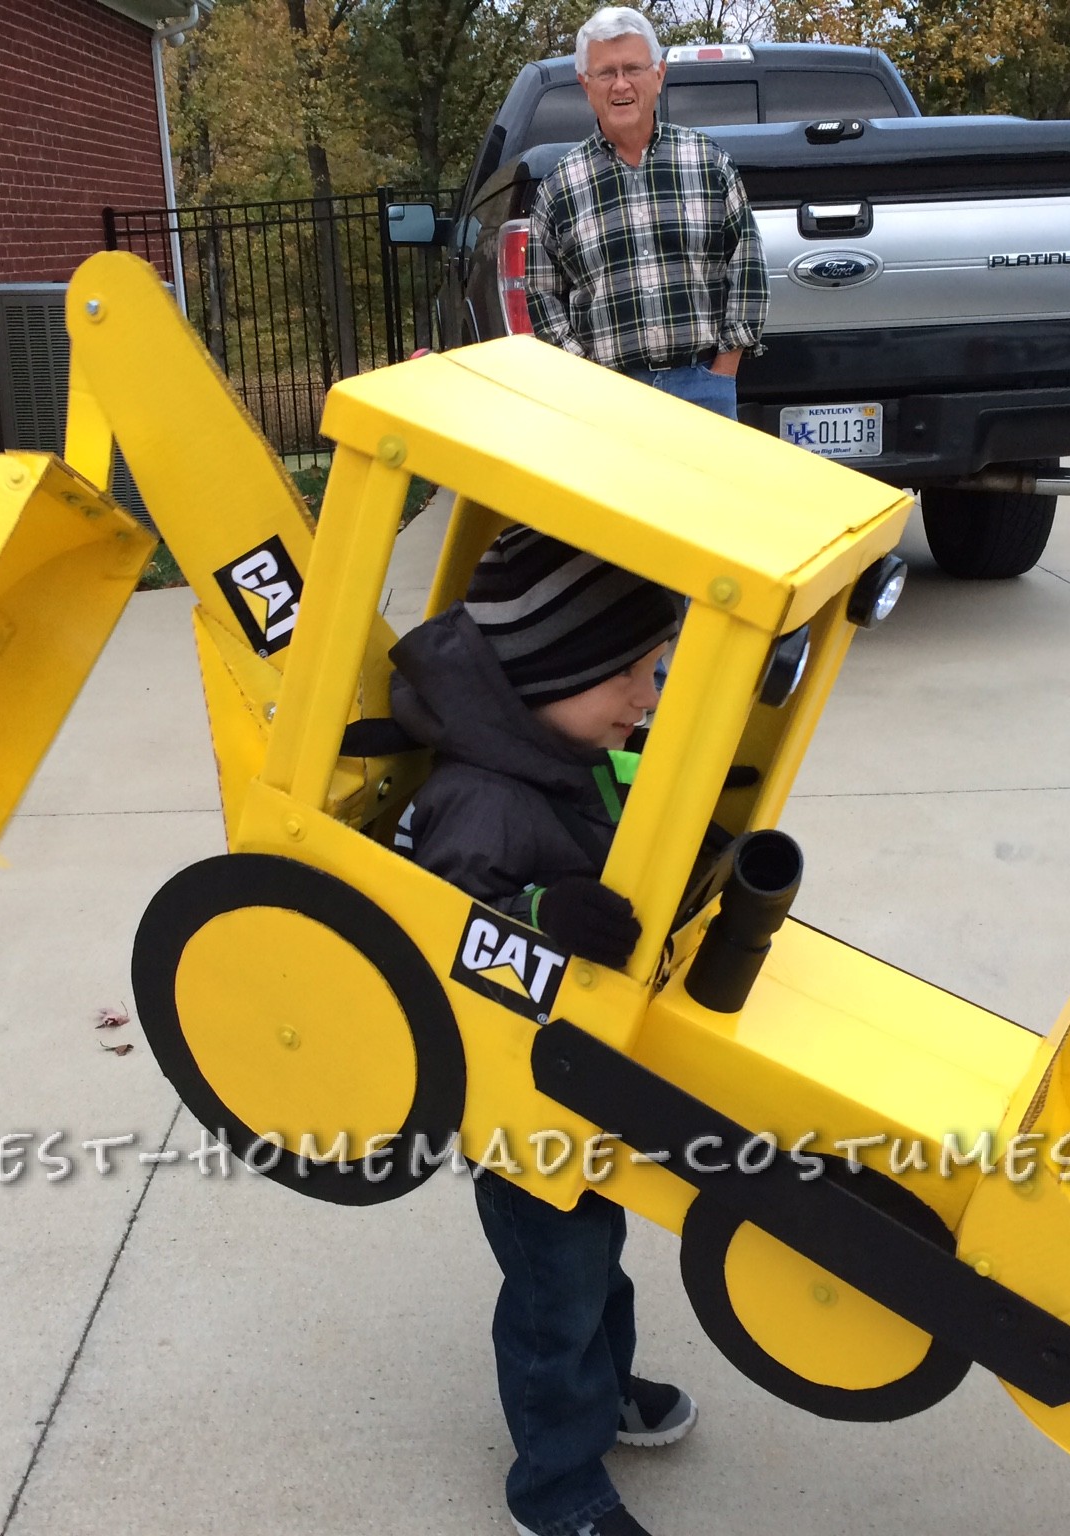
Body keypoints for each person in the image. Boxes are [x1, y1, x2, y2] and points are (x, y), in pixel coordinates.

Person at [389, 526, 695, 1536]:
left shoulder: (559, 758)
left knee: (593, 1252)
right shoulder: (476, 800)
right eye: (631, 674)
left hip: (568, 1076)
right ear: (545, 674)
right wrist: (537, 918)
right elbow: (435, 950)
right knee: (553, 1286)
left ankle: (600, 1396)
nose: (647, 695)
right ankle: (554, 1487)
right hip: (510, 1099)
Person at [525, 6, 768, 419]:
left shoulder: (708, 163)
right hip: (606, 399)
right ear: (586, 84)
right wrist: (584, 376)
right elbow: (542, 292)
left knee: (701, 489)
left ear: (659, 75)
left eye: (633, 68)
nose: (621, 83)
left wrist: (723, 369)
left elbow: (747, 264)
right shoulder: (559, 187)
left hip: (703, 387)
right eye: (606, 72)